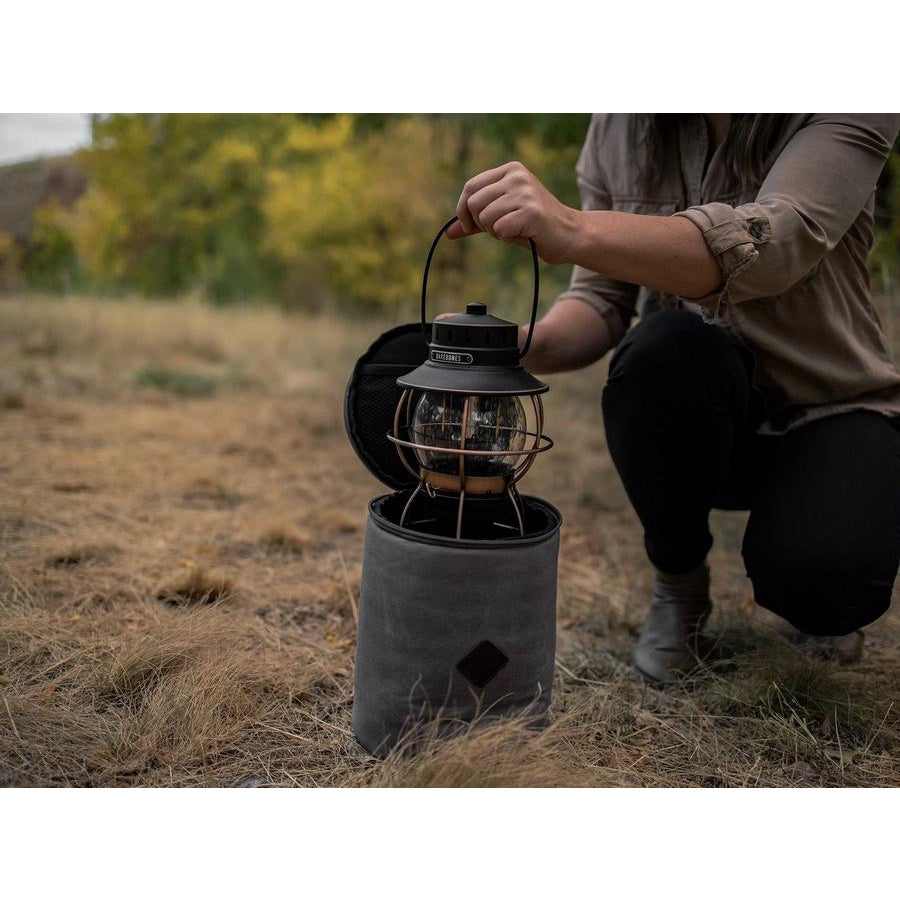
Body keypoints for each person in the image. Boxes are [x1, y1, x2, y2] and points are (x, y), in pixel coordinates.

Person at [448, 114, 900, 683]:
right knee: (660, 350)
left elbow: (779, 243)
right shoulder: (619, 123)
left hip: (829, 407)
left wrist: (574, 228)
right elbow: (601, 298)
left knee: (826, 586)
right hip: (697, 416)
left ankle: (815, 562)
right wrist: (515, 346)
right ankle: (679, 585)